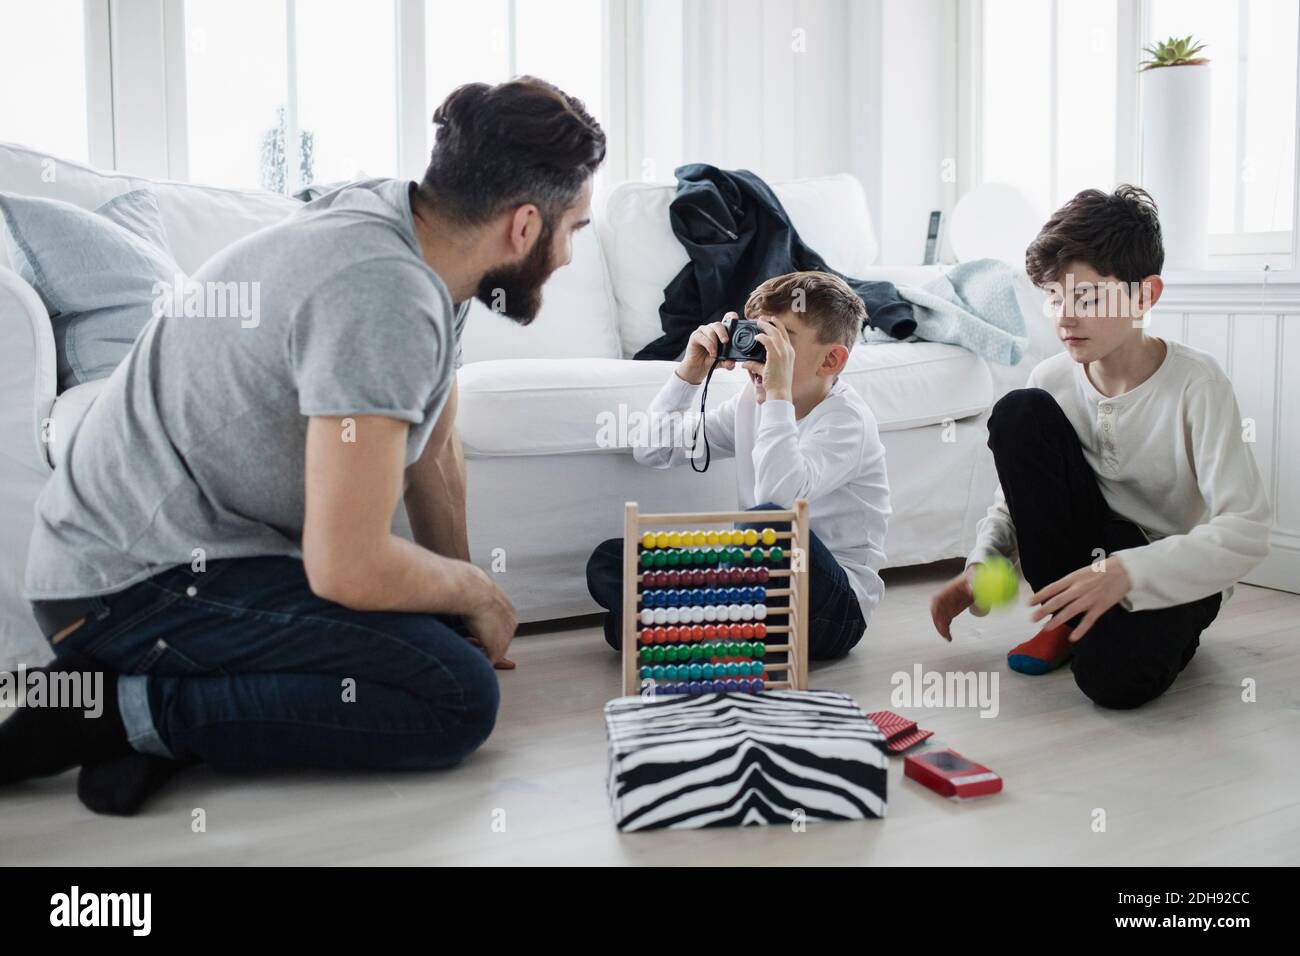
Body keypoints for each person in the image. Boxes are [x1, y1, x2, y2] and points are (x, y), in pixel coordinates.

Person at [2, 77, 605, 814]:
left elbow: (435, 449)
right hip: (119, 582)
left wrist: (458, 603)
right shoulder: (381, 293)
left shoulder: (416, 235)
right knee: (455, 699)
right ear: (523, 226)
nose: (572, 255)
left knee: (437, 635)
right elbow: (346, 565)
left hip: (195, 552)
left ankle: (162, 711)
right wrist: (477, 592)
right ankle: (121, 715)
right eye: (573, 228)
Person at [930, 185, 1271, 709]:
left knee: (1114, 683)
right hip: (1082, 558)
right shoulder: (1052, 378)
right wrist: (984, 566)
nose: (1065, 317)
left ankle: (1105, 631)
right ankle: (1072, 619)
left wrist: (1129, 573)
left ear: (1145, 295)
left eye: (1087, 297)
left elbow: (1244, 530)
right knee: (1019, 410)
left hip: (1168, 567)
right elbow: (1015, 501)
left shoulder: (1197, 383)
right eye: (1054, 296)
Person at [587, 271, 891, 661]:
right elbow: (653, 450)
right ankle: (718, 631)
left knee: (770, 523)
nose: (757, 354)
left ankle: (682, 628)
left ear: (831, 359)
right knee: (613, 560)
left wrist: (777, 394)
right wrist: (689, 372)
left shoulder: (846, 420)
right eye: (756, 334)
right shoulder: (750, 403)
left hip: (831, 607)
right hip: (753, 586)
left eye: (779, 341)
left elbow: (777, 502)